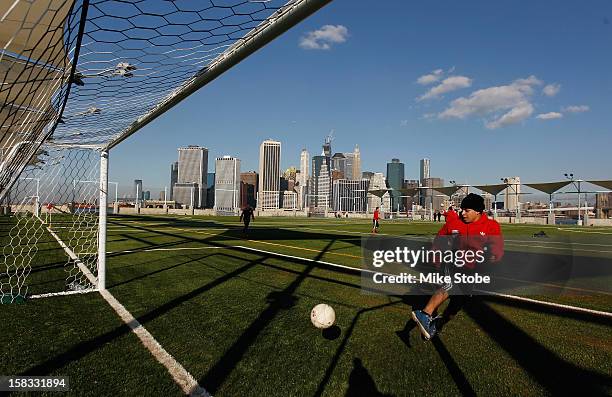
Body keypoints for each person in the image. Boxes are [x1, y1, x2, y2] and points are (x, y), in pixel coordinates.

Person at [411, 193, 504, 340]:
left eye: (467, 210)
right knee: (453, 284)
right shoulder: (454, 223)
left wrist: (493, 257)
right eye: (462, 209)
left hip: (474, 268)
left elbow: (497, 247)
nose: (462, 213)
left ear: (478, 211)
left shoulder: (491, 226)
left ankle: (437, 324)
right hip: (454, 262)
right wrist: (435, 256)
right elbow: (440, 239)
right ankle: (424, 314)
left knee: (458, 303)